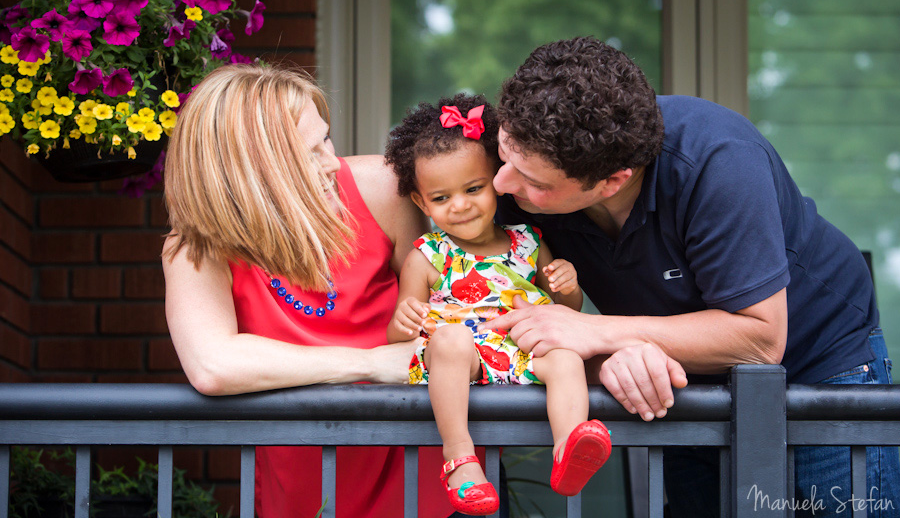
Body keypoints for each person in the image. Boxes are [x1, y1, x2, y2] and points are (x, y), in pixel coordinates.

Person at [486, 36, 899, 517]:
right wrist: (611, 357)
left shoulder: (720, 160)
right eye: (504, 154)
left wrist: (598, 332)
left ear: (613, 180)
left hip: (820, 365)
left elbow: (762, 339)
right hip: (681, 378)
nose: (501, 184)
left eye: (535, 183)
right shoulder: (526, 150)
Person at [162, 63, 460, 518]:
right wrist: (370, 363)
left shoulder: (383, 189)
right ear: (251, 169)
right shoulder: (194, 246)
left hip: (418, 469)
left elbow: (445, 302)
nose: (329, 161)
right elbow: (212, 365)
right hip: (300, 483)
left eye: (326, 138)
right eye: (309, 151)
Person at [383, 94, 612, 515]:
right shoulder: (427, 255)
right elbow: (398, 334)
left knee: (564, 357)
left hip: (521, 349)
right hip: (461, 358)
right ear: (420, 202)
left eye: (473, 188)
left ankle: (569, 446)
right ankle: (460, 459)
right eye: (441, 198)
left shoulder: (528, 241)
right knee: (450, 340)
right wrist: (403, 318)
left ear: (497, 180)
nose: (461, 205)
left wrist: (567, 284)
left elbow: (570, 311)